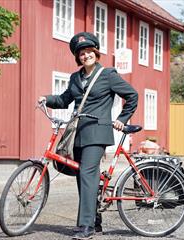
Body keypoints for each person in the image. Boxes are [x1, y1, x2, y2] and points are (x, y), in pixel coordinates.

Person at [38, 32, 138, 240]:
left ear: (96, 52)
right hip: (78, 134)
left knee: (86, 174)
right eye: (81, 53)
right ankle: (94, 220)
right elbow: (65, 99)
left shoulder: (108, 75)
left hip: (98, 133)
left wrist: (123, 117)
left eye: (89, 51)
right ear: (78, 57)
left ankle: (86, 226)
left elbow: (132, 95)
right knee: (82, 176)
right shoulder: (75, 78)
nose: (85, 55)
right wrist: (46, 99)